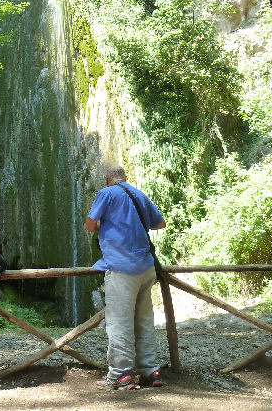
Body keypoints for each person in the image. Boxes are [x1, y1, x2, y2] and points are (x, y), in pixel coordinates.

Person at [85, 164, 166, 391]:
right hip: (145, 268)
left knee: (119, 323)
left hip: (121, 268)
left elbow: (90, 224)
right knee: (143, 321)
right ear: (125, 178)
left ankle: (121, 375)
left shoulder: (106, 193)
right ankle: (150, 371)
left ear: (106, 178)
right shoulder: (138, 194)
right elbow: (160, 223)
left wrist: (107, 225)